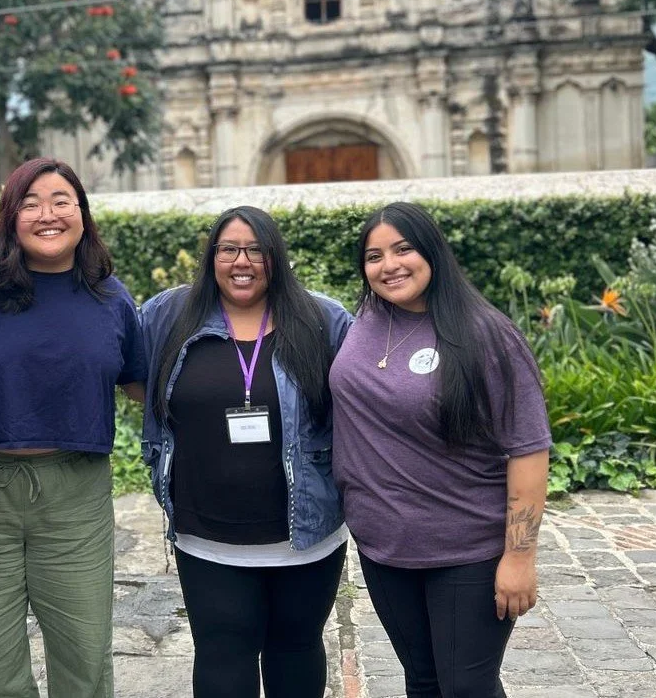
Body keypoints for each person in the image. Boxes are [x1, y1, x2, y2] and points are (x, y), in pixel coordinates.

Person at [330, 201, 551, 698]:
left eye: (403, 249)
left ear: (432, 252)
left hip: (465, 551)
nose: (389, 265)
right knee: (423, 682)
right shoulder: (367, 319)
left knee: (466, 688)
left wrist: (520, 558)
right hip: (385, 549)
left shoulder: (484, 334)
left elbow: (529, 449)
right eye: (374, 255)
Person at [0, 157, 146, 698]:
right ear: (10, 216)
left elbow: (142, 383)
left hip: (76, 492)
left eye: (62, 200)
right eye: (31, 203)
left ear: (82, 214)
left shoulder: (111, 297)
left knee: (84, 655)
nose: (48, 214)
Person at [140, 205, 353, 698]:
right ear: (212, 257)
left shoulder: (322, 318)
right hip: (207, 536)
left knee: (296, 648)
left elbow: (366, 399)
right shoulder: (169, 315)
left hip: (304, 537)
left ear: (275, 258)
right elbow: (127, 373)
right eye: (230, 249)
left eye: (257, 250)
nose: (243, 261)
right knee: (221, 653)